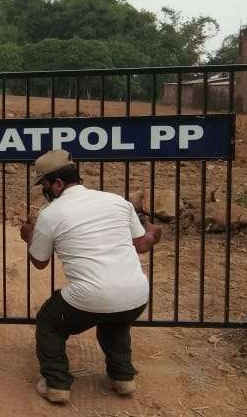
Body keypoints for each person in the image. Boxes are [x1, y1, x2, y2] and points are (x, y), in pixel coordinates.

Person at [19, 150, 163, 405]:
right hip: (137, 295)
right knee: (115, 322)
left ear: (59, 183)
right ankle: (123, 377)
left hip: (92, 296)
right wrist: (152, 233)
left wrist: (29, 235)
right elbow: (142, 245)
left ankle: (56, 384)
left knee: (49, 322)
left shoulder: (50, 214)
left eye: (45, 184)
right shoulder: (117, 201)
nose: (45, 190)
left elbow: (40, 262)